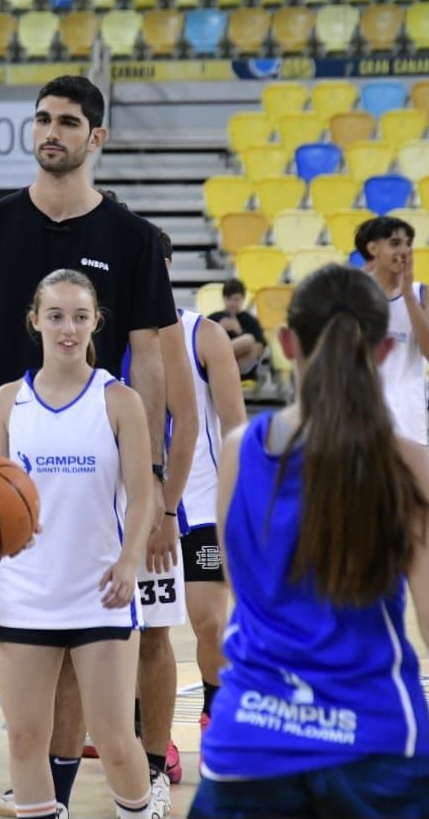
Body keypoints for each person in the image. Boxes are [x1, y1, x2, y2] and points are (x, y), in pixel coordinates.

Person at [0, 75, 196, 819]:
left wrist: (153, 489)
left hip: (92, 472)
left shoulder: (132, 238)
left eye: (69, 121)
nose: (51, 131)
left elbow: (149, 363)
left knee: (80, 652)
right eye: (43, 118)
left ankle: (53, 793)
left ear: (96, 137)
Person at [192, 263, 429, 819]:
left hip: (250, 741)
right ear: (383, 350)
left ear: (286, 343)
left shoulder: (238, 451)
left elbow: (241, 583)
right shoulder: (410, 465)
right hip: (375, 746)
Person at [0, 269, 156, 819]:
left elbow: (143, 496)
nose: (68, 328)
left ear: (96, 323)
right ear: (35, 321)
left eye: (79, 317)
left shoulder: (120, 401)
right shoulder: (7, 400)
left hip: (101, 591)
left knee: (115, 740)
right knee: (25, 738)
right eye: (56, 316)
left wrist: (129, 561)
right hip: (25, 591)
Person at [160, 236, 247, 736]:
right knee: (141, 634)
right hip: (137, 504)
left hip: (202, 502)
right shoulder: (106, 334)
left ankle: (217, 712)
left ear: (168, 266)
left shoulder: (204, 334)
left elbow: (236, 427)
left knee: (209, 622)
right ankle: (148, 735)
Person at [355, 215, 429, 444]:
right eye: (395, 243)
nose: (404, 250)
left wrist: (407, 296)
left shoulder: (422, 293)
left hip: (408, 418)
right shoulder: (353, 292)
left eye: (408, 244)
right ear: (373, 249)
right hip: (362, 414)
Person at [207, 279, 265, 378]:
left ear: (243, 299)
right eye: (229, 299)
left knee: (249, 340)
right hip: (216, 364)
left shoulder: (251, 320)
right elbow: (201, 342)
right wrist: (219, 330)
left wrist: (240, 332)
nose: (232, 303)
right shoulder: (213, 318)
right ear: (223, 298)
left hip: (240, 367)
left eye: (236, 299)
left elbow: (259, 349)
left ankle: (222, 365)